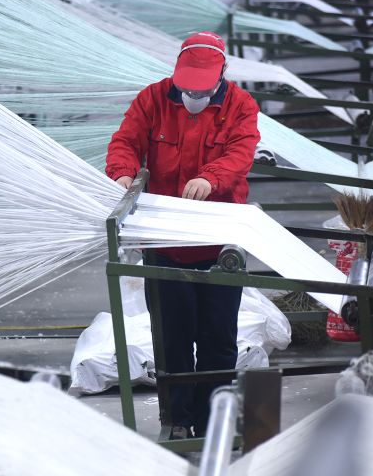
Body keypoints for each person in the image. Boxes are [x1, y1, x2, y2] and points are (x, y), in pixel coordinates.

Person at [105, 31, 261, 440]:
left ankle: (215, 421)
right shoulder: (153, 99)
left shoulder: (241, 106)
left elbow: (240, 155)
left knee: (218, 336)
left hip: (218, 239)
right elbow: (125, 141)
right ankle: (176, 420)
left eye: (203, 88)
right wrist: (121, 171)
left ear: (222, 73)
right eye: (186, 87)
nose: (193, 94)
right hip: (166, 242)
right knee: (171, 336)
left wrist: (211, 178)